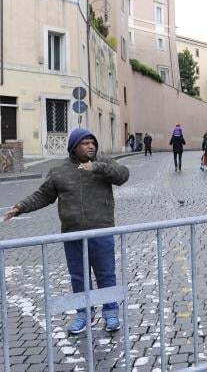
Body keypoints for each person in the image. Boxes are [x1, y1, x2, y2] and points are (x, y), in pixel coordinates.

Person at [3, 128, 129, 334]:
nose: (91, 146)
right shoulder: (59, 171)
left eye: (92, 143)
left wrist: (96, 167)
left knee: (106, 274)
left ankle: (111, 312)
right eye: (85, 143)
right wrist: (20, 207)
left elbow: (123, 175)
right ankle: (83, 313)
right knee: (78, 277)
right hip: (72, 233)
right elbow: (43, 195)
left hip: (101, 231)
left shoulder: (103, 163)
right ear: (73, 147)